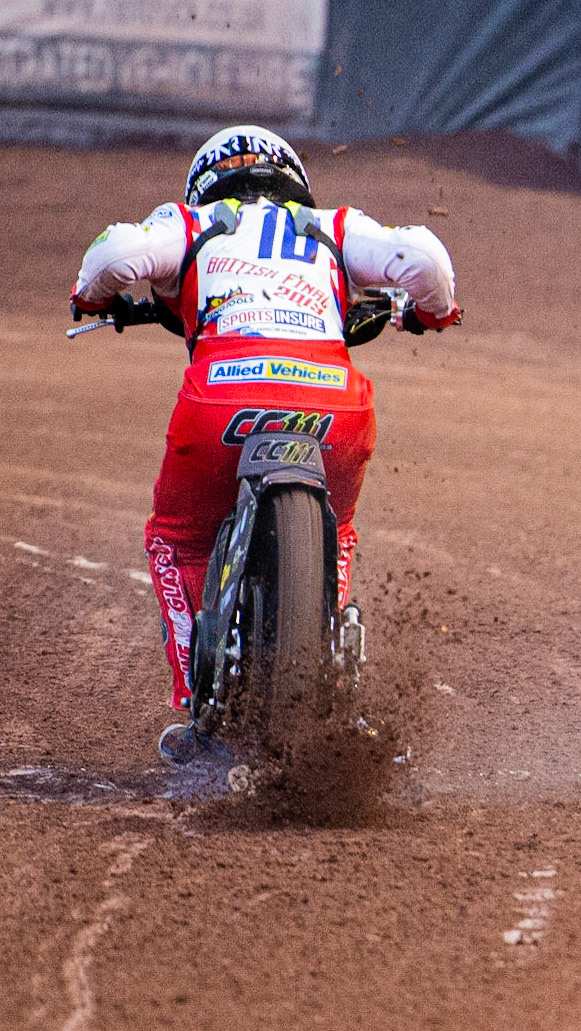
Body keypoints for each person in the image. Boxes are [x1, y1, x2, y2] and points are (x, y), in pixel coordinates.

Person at [70, 126, 460, 763]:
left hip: (220, 401)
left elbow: (114, 252)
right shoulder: (332, 227)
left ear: (205, 180)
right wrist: (435, 311)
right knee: (342, 527)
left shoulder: (195, 221)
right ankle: (336, 683)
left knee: (177, 537)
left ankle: (196, 710)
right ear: (295, 180)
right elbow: (425, 260)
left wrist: (90, 297)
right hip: (335, 402)